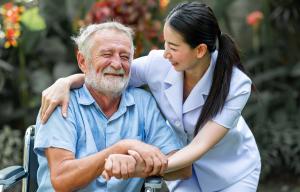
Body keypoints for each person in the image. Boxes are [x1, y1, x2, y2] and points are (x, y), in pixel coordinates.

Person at [40, 2, 261, 192]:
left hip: (229, 170)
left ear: (200, 50)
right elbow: (109, 75)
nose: (165, 53)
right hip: (177, 169)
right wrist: (64, 82)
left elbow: (196, 150)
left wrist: (132, 164)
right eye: (107, 54)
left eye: (173, 46)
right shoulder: (63, 104)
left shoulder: (236, 84)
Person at [34, 22, 190, 192]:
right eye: (107, 54)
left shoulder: (143, 103)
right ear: (82, 61)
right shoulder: (60, 102)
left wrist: (134, 164)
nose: (117, 64)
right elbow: (62, 180)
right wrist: (122, 147)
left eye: (124, 57)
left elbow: (181, 168)